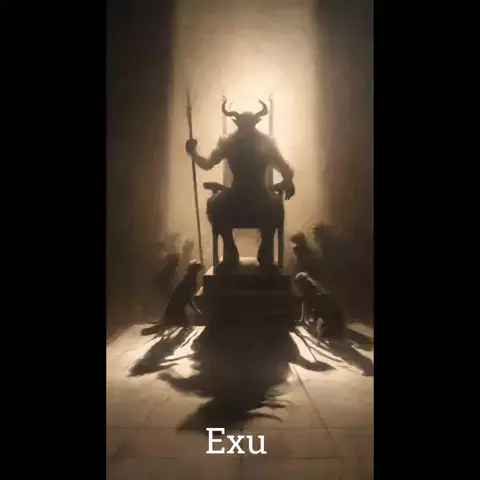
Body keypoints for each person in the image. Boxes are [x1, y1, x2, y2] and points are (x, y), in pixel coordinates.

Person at [185, 97, 295, 270]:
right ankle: (261, 253)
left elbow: (206, 164)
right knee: (275, 205)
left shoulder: (231, 145)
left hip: (236, 199)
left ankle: (233, 251)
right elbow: (286, 169)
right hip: (261, 198)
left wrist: (193, 152)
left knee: (215, 204)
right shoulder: (264, 145)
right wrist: (286, 182)